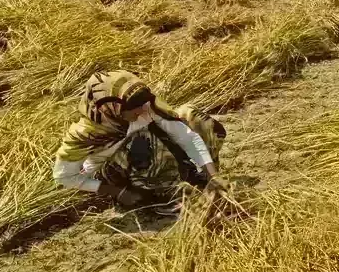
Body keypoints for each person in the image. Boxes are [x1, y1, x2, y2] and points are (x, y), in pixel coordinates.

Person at [52, 69, 228, 209]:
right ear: (109, 106)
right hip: (117, 172)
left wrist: (213, 175)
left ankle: (199, 179)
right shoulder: (85, 134)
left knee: (193, 117)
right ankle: (164, 196)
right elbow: (64, 177)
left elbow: (185, 136)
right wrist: (116, 192)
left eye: (142, 105)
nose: (141, 111)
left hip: (148, 157)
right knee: (144, 141)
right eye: (133, 108)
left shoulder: (144, 105)